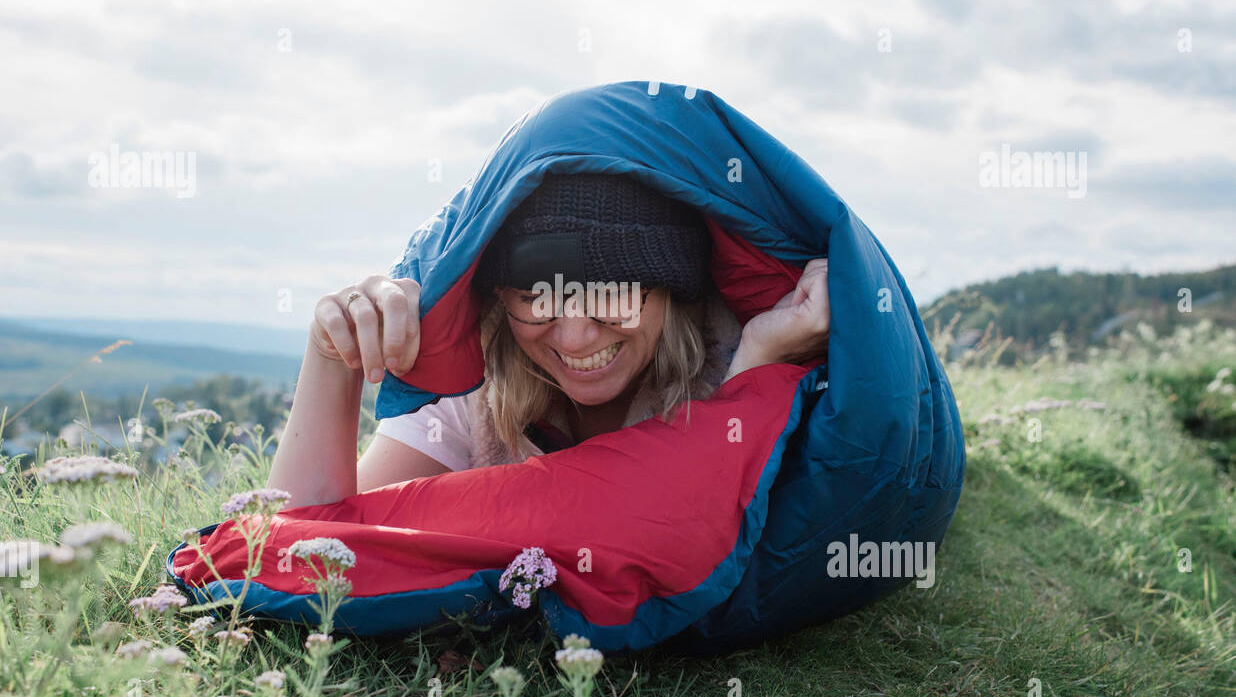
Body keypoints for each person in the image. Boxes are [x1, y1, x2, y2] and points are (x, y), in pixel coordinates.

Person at [266, 172, 829, 507]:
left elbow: (724, 534)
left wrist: (757, 361)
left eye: (613, 295)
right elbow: (308, 552)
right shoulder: (473, 381)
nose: (577, 336)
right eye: (538, 298)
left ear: (672, 292)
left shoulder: (723, 357)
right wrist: (329, 358)